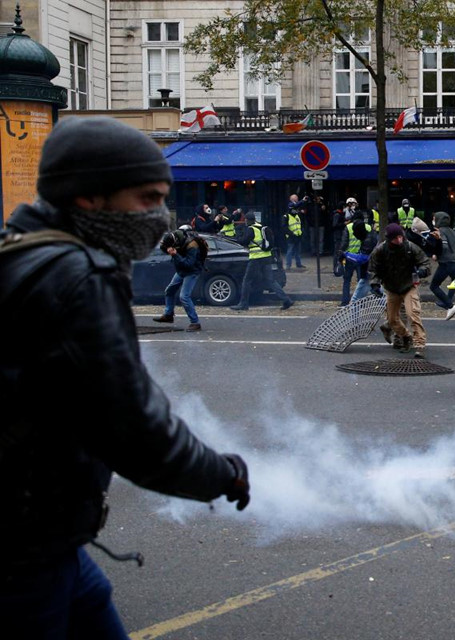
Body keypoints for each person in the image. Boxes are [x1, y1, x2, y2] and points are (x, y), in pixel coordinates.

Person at [0, 116, 250, 638]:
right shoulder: (78, 277)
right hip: (22, 547)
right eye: (146, 198)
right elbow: (133, 427)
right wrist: (221, 474)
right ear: (89, 196)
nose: (158, 217)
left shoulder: (22, 248)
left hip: (45, 533)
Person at [369, 223, 431, 358]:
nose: (399, 240)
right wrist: (375, 284)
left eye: (400, 237)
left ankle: (419, 344)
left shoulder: (410, 247)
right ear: (389, 239)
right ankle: (405, 336)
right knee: (391, 319)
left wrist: (422, 271)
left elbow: (425, 262)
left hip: (409, 286)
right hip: (391, 288)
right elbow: (373, 269)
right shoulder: (380, 251)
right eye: (395, 238)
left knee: (413, 314)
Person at [230, 211, 295, 311]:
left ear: (247, 220)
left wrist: (238, 234)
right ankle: (286, 300)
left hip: (256, 258)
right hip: (266, 257)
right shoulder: (261, 227)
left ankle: (243, 304)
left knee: (247, 281)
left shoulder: (251, 229)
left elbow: (243, 241)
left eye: (246, 220)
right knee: (271, 281)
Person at [153, 227, 205, 331]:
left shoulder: (192, 245)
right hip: (181, 271)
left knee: (184, 296)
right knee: (169, 291)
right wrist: (165, 247)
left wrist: (175, 254)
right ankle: (168, 315)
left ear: (176, 242)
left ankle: (195, 323)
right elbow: (164, 247)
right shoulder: (174, 239)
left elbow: (188, 264)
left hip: (192, 271)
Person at [430, 211, 455, 319]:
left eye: (434, 219)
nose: (433, 221)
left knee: (434, 286)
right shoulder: (453, 232)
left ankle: (450, 306)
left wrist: (436, 255)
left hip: (446, 263)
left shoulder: (440, 232)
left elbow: (443, 246)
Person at [340, 215, 373, 305]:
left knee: (348, 281)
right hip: (365, 267)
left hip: (358, 262)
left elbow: (363, 258)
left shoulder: (367, 240)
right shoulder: (369, 231)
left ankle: (345, 302)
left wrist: (344, 254)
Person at [347, 219, 379, 303]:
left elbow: (363, 259)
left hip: (369, 274)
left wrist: (346, 254)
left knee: (355, 301)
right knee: (380, 296)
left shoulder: (368, 241)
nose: (354, 234)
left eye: (355, 232)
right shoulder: (370, 236)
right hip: (372, 273)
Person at [284, 196, 305, 269]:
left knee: (297, 251)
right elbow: (284, 227)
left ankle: (298, 264)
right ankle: (288, 265)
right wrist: (291, 234)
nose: (295, 210)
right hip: (291, 237)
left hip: (297, 236)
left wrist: (300, 233)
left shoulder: (297, 216)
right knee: (290, 251)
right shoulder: (286, 216)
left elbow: (299, 225)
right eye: (294, 209)